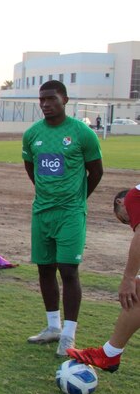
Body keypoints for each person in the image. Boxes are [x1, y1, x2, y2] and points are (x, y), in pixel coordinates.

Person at [23, 79, 103, 355]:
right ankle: (52, 327)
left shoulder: (82, 133)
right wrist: (48, 194)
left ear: (65, 100)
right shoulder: (33, 134)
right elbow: (31, 167)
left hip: (71, 212)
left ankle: (69, 334)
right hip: (42, 211)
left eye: (51, 99)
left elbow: (96, 171)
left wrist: (77, 199)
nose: (45, 104)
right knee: (44, 269)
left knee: (68, 270)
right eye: (42, 100)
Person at [67, 186, 140, 371]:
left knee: (136, 290)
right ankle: (110, 354)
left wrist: (128, 277)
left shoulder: (134, 196)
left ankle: (110, 355)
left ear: (119, 202)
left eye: (126, 219)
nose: (130, 222)